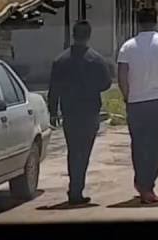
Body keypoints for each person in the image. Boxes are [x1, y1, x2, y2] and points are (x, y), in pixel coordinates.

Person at [116, 8, 158, 204]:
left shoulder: (127, 47)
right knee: (155, 146)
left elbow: (122, 77)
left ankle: (142, 182)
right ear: (156, 22)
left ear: (138, 23)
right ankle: (147, 185)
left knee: (138, 144)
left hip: (137, 103)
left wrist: (128, 98)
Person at [47, 21, 112, 205]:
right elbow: (106, 83)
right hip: (89, 111)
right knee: (84, 152)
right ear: (89, 36)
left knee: (73, 151)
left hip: (70, 112)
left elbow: (54, 88)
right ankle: (77, 189)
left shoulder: (61, 60)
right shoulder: (96, 59)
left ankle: (74, 188)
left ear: (73, 35)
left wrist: (53, 111)